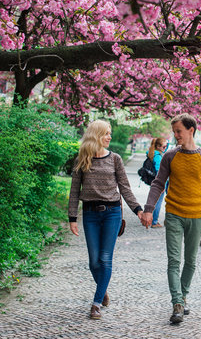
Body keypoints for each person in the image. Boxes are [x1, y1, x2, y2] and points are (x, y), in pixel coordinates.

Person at [140, 114, 201, 324]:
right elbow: (157, 183)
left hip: (196, 216)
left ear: (191, 130)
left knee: (190, 262)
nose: (175, 135)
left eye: (179, 131)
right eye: (174, 132)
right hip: (173, 214)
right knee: (174, 260)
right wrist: (148, 208)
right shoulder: (170, 156)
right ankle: (177, 303)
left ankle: (182, 298)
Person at [68, 120, 143, 320]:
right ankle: (103, 289)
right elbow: (75, 190)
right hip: (90, 214)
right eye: (106, 133)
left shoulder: (115, 159)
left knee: (105, 258)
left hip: (112, 213)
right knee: (93, 261)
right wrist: (72, 217)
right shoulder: (82, 159)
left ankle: (96, 303)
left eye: (110, 133)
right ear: (96, 135)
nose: (110, 137)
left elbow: (125, 187)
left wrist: (138, 209)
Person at [146, 137, 168, 228]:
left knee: (154, 200)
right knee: (158, 202)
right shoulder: (158, 156)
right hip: (160, 182)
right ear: (158, 146)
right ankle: (154, 222)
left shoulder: (152, 153)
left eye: (166, 146)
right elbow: (159, 171)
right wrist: (162, 184)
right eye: (163, 147)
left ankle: (151, 219)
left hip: (154, 182)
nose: (165, 148)